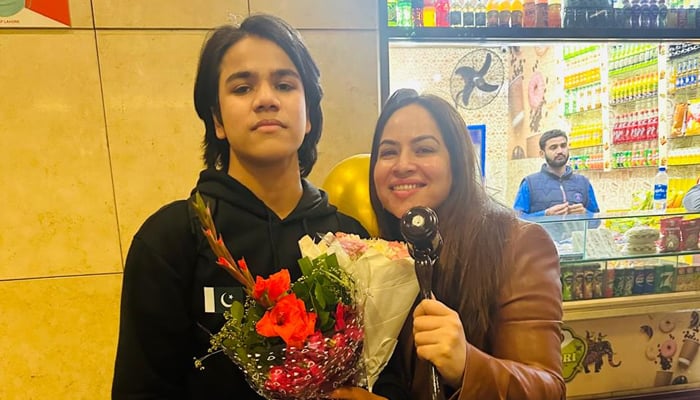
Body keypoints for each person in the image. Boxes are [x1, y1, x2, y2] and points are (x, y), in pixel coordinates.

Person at [112, 15, 368, 399]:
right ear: (217, 119)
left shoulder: (352, 240)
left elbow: (382, 374)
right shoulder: (170, 240)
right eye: (243, 87)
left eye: (284, 84)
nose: (266, 98)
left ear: (310, 116)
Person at [330, 89, 565, 400]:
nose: (402, 165)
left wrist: (467, 365)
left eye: (424, 149)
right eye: (388, 153)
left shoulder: (516, 245)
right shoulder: (373, 253)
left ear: (457, 162)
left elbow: (547, 389)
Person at [513, 129, 600, 218]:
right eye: (553, 147)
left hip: (576, 232)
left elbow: (597, 220)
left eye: (563, 146)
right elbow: (517, 220)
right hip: (542, 232)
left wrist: (585, 214)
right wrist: (545, 215)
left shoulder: (583, 182)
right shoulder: (529, 183)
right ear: (542, 154)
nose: (560, 151)